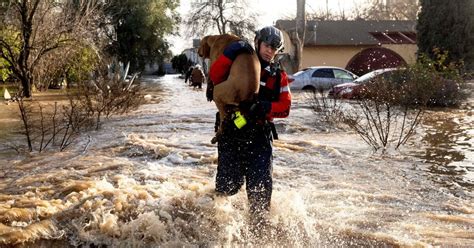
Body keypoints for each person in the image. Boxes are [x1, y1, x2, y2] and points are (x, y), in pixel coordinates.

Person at [208, 26, 291, 223]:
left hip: (260, 136)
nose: (270, 51)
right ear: (257, 43)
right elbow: (215, 76)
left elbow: (285, 108)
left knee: (260, 192)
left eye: (274, 48)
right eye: (267, 45)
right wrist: (231, 52)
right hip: (231, 129)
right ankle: (219, 224)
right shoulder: (236, 62)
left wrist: (264, 107)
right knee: (227, 186)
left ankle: (258, 233)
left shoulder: (278, 76)